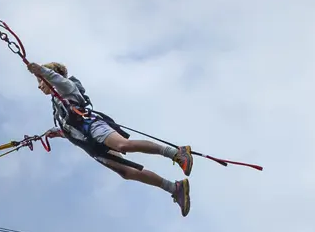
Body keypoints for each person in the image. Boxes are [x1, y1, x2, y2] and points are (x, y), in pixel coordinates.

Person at [26, 60, 193, 216]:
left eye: (40, 81)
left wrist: (41, 70)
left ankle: (177, 154)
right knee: (126, 172)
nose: (39, 86)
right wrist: (58, 132)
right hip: (89, 143)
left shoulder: (66, 88)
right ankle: (175, 188)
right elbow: (71, 126)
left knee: (123, 145)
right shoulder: (57, 106)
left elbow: (58, 81)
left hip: (92, 127)